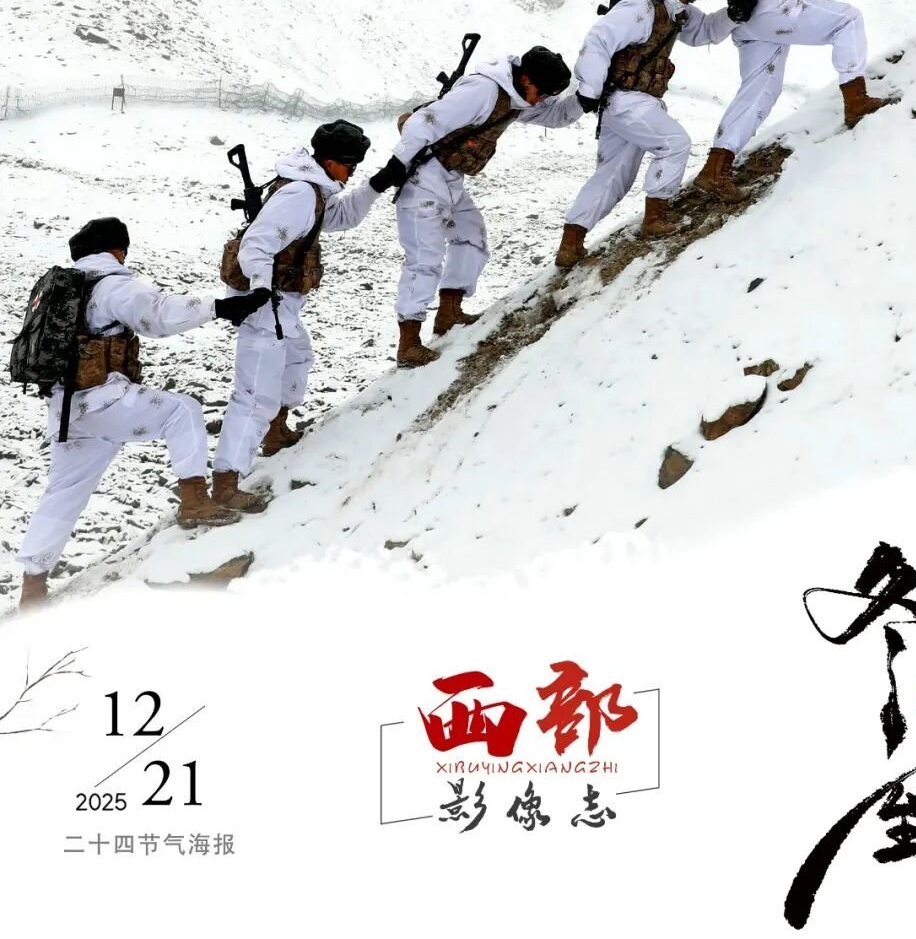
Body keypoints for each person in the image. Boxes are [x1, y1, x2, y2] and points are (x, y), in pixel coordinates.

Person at [16, 216, 263, 608]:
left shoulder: (66, 288)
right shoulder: (110, 284)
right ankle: (195, 501)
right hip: (104, 400)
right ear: (117, 249)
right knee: (183, 411)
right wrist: (219, 307)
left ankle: (33, 585)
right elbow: (156, 315)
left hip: (66, 409)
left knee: (63, 492)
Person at [369, 47, 582, 367]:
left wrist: (585, 101)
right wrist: (398, 163)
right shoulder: (484, 90)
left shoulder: (515, 98)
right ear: (526, 79)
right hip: (423, 180)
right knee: (424, 259)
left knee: (471, 236)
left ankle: (449, 313)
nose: (541, 101)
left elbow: (554, 115)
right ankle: (409, 343)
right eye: (542, 93)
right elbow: (423, 121)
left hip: (450, 180)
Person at [695, 0, 898, 201]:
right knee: (848, 19)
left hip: (749, 19)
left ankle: (715, 170)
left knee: (761, 91)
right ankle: (856, 101)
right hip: (768, 3)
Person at [212, 120, 377, 507]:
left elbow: (338, 218)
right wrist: (261, 290)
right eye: (350, 164)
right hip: (265, 304)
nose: (353, 172)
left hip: (280, 303)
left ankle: (276, 431)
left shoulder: (312, 190)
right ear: (330, 161)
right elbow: (256, 245)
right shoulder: (300, 193)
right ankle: (225, 484)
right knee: (254, 395)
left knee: (298, 356)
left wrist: (375, 187)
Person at [554, 0, 731, 268]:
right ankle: (656, 217)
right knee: (675, 143)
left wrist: (736, 12)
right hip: (626, 101)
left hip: (630, 102)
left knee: (613, 176)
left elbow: (704, 31)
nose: (690, 0)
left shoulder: (674, 8)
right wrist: (589, 89)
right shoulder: (642, 8)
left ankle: (571, 244)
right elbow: (598, 39)